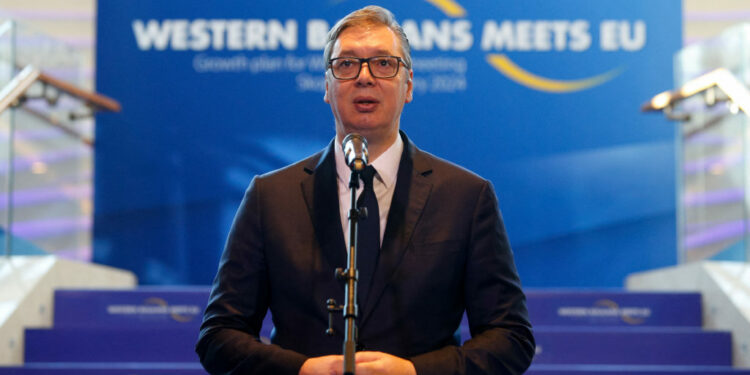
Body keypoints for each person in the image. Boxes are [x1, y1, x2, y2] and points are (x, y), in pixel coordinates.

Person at [196, 5, 534, 375]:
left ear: (409, 85)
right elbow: (218, 336)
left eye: (384, 64)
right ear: (327, 87)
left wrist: (415, 372)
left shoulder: (465, 197)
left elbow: (510, 338)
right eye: (346, 65)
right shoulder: (271, 196)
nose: (364, 77)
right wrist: (301, 370)